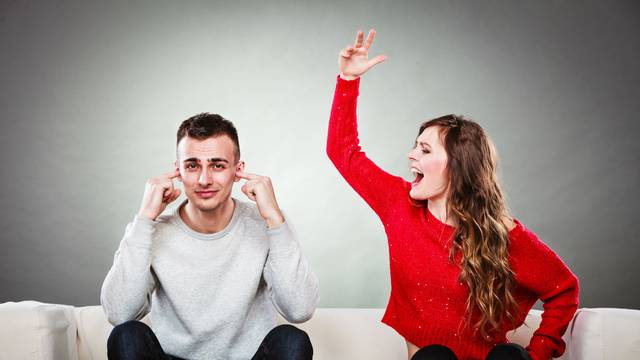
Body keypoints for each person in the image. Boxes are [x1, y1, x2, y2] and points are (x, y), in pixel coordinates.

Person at [326, 30, 579, 360]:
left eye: (425, 149)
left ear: (457, 169)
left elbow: (564, 289)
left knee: (509, 357)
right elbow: (343, 152)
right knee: (436, 357)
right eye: (415, 146)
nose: (411, 156)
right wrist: (347, 79)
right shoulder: (399, 205)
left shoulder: (502, 234)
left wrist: (541, 350)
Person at [101, 113, 319, 360]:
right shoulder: (153, 231)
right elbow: (118, 313)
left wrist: (274, 220)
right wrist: (144, 219)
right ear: (178, 171)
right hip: (173, 358)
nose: (204, 180)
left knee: (292, 340)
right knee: (127, 334)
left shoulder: (267, 224)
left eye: (218, 165)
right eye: (192, 165)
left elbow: (299, 310)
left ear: (238, 171)